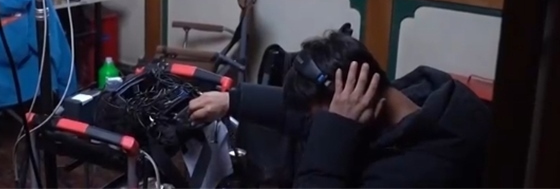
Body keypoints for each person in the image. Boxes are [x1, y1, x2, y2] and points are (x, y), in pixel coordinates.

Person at [188, 30, 492, 187]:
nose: (318, 125)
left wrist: (334, 133)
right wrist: (234, 100)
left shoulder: (415, 173)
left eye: (328, 120)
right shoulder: (419, 98)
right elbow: (311, 116)